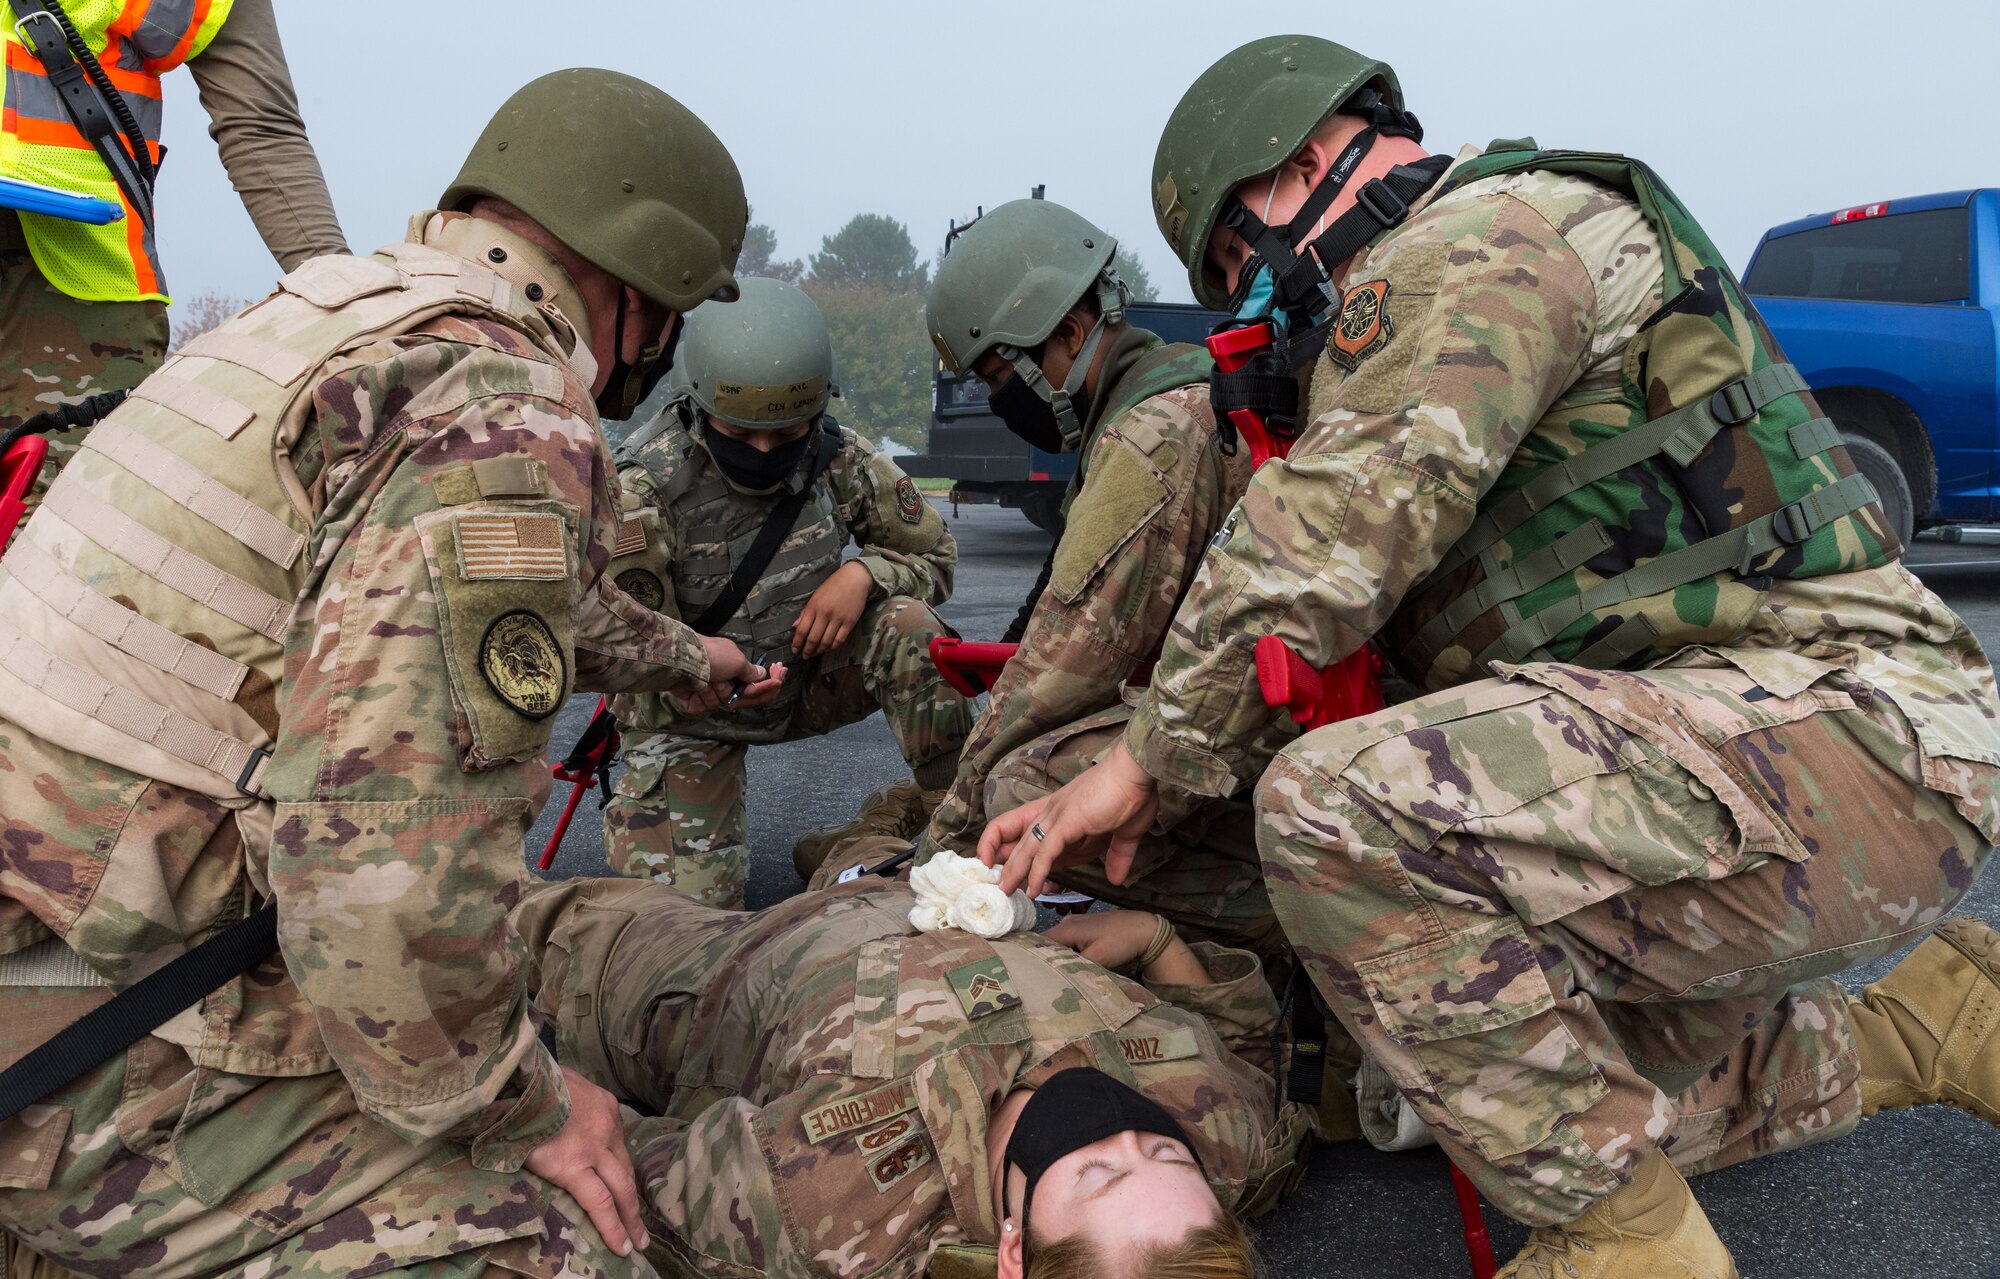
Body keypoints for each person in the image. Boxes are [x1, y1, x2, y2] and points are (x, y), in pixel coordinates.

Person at [982, 34, 2000, 1278]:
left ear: (1306, 162)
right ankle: (1928, 1019)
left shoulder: (1482, 240)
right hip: (1754, 743)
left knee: (1338, 813)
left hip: (1855, 732)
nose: (1251, 295)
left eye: (1243, 255)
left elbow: (1324, 540)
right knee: (1491, 1066)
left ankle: (1628, 1248)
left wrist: (1141, 765)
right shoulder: (1453, 272)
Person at [0, 68, 774, 1278]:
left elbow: (536, 601)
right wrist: (524, 1104)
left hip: (51, 920)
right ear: (641, 293)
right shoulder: (499, 406)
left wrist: (693, 660)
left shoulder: (323, 324)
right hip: (71, 1024)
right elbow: (382, 866)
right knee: (575, 1244)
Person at [823, 197, 1293, 971]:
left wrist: (938, 855)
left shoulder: (1150, 440)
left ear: (1071, 334)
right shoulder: (1183, 387)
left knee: (1018, 790)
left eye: (1000, 375)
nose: (999, 398)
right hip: (1245, 714)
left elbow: (1055, 673)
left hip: (1247, 739)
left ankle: (1275, 910)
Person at [509, 858, 1312, 1278]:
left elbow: (610, 1158)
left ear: (1012, 1254)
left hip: (737, 965)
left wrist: (532, 1089)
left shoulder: (830, 1210)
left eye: (1099, 1171)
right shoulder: (1228, 1132)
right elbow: (1242, 1041)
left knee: (513, 929)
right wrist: (1158, 938)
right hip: (958, 885)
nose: (1126, 1127)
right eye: (1167, 1151)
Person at [602, 276, 971, 907]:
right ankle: (857, 838)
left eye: (789, 433)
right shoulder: (643, 492)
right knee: (678, 926)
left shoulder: (838, 458)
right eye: (741, 435)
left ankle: (957, 817)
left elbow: (935, 554)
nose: (767, 451)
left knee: (911, 627)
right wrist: (697, 679)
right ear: (696, 406)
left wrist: (864, 575)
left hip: (809, 680)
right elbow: (625, 650)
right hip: (691, 716)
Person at [1, 0, 348, 520]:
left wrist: (352, 309)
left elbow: (260, 128)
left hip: (78, 285)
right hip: (81, 292)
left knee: (69, 552)